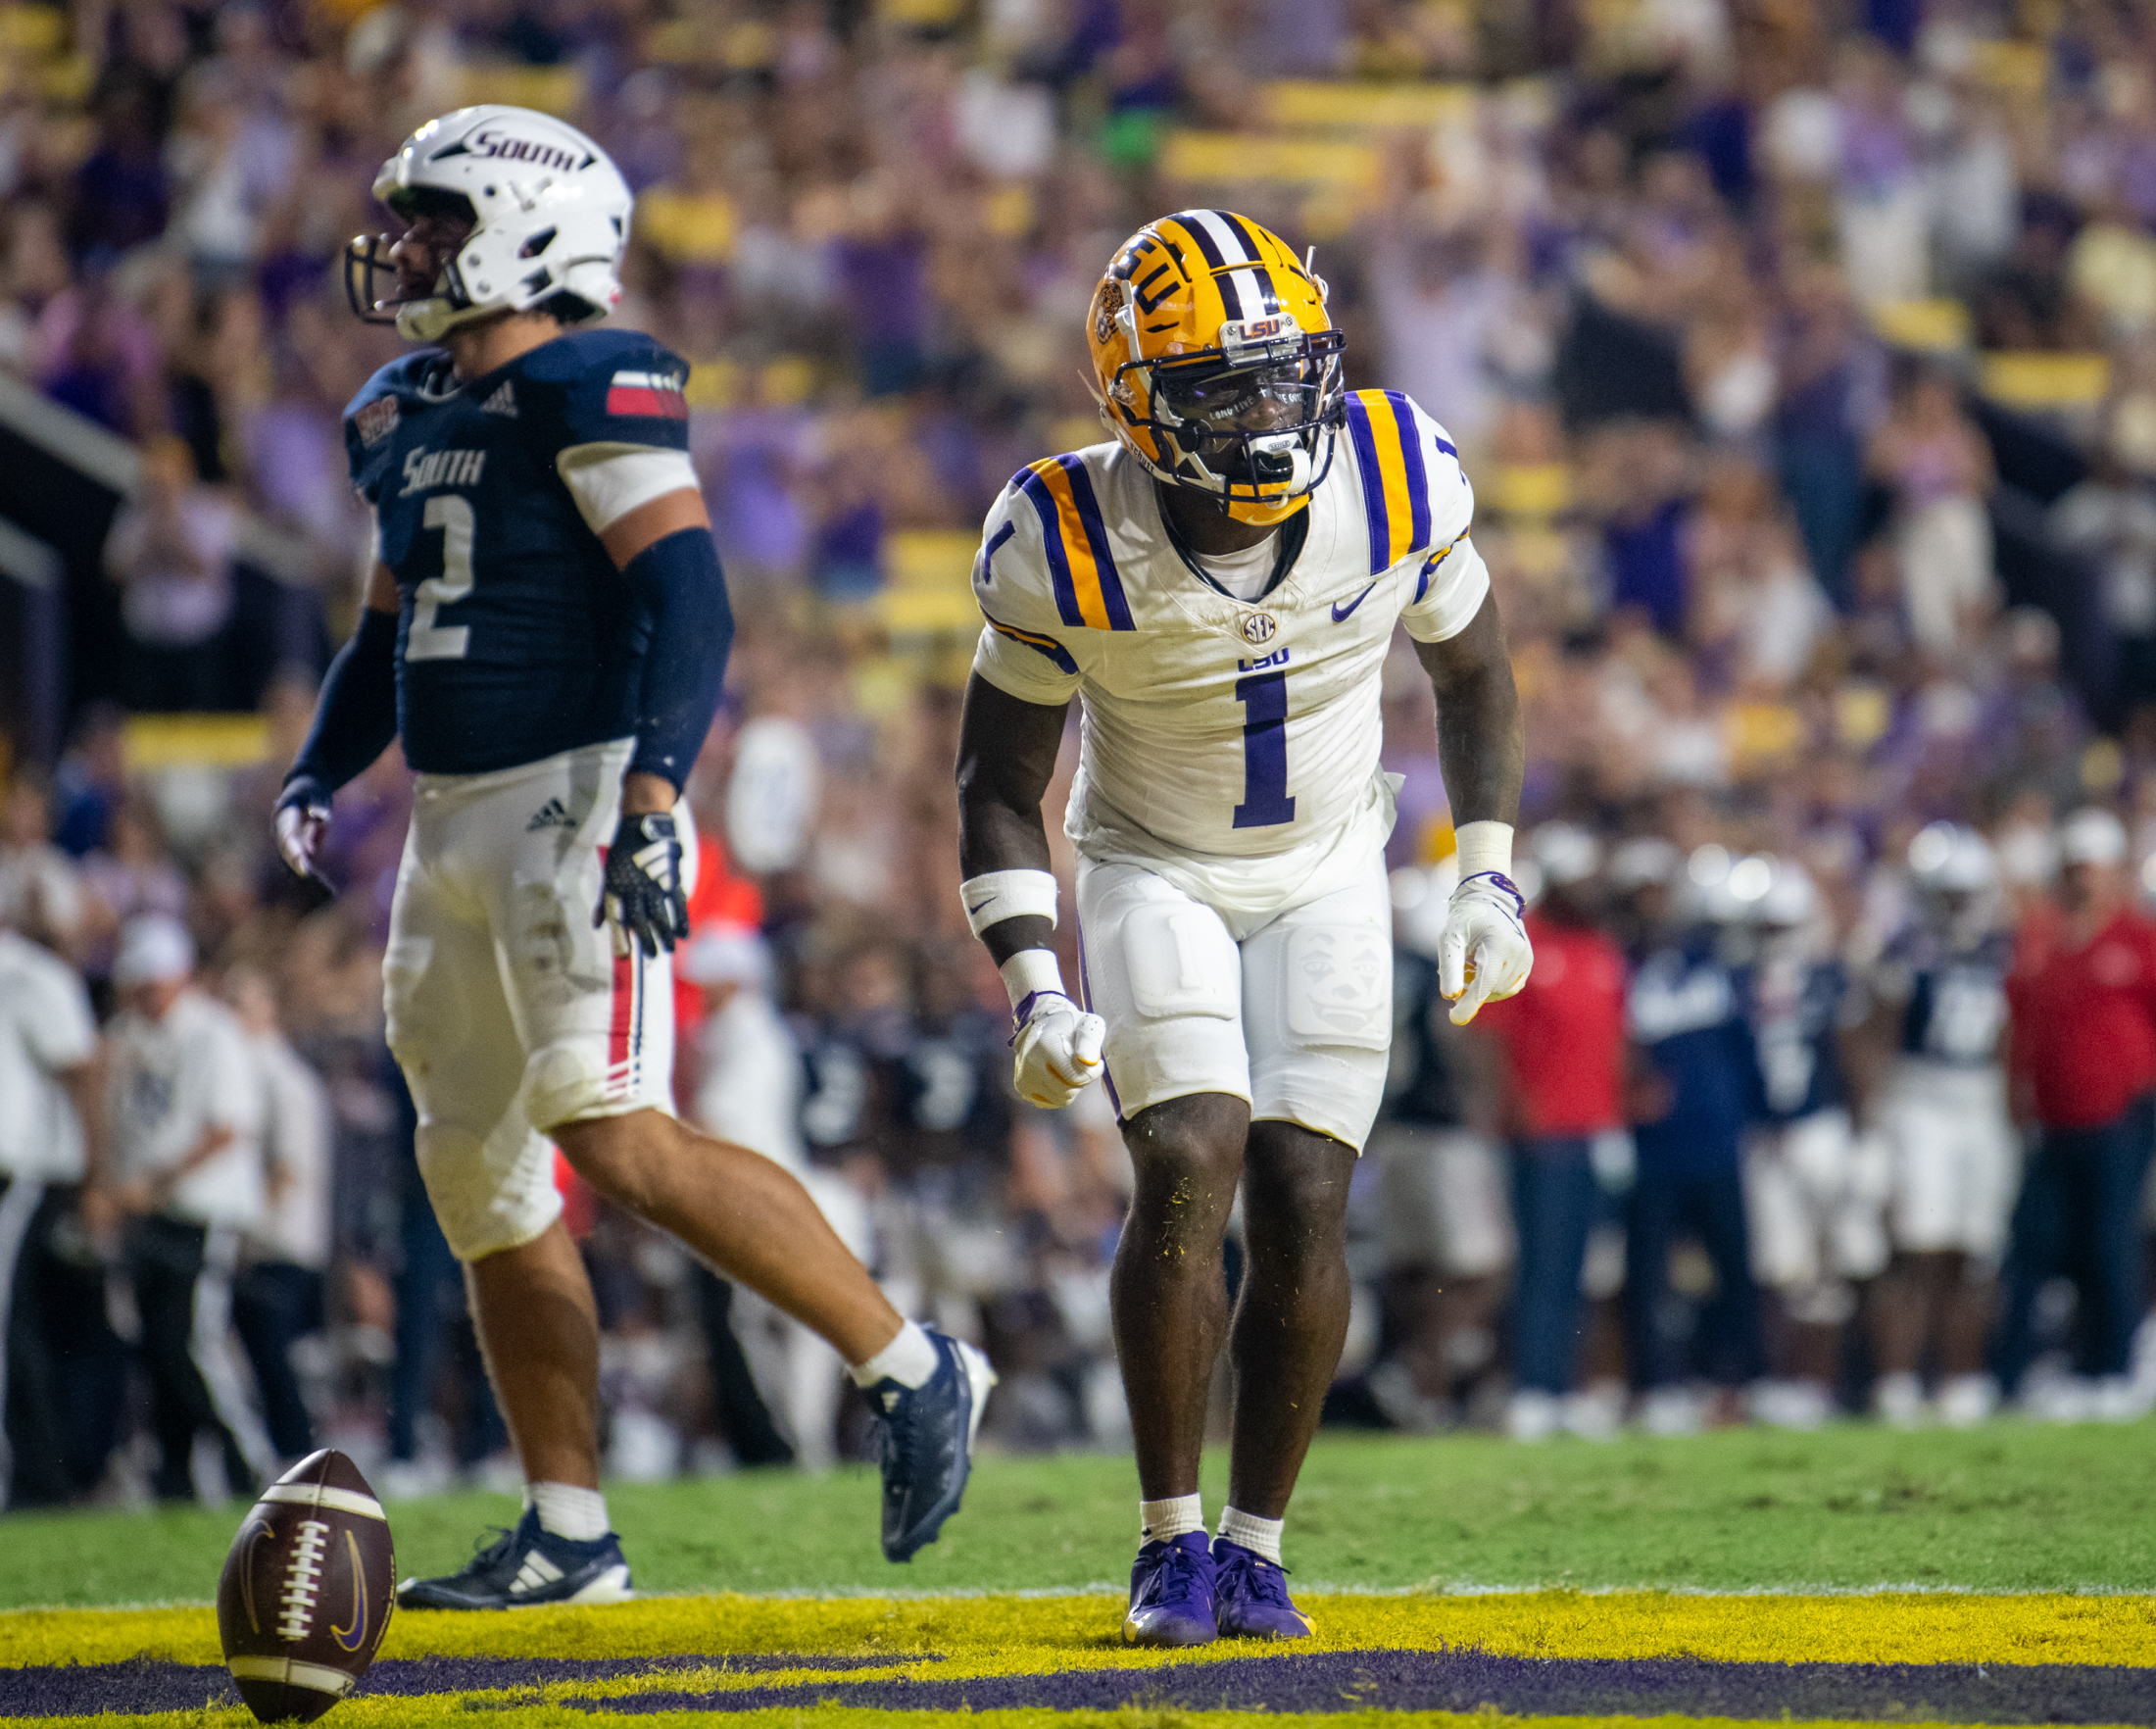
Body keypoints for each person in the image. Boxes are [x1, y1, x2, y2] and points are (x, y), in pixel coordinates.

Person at [273, 106, 990, 1607]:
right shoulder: (400, 407)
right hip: (454, 818)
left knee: (608, 1126)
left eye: (437, 221)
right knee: (476, 1173)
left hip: (575, 794)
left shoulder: (597, 378)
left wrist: (657, 797)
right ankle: (569, 1531)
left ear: (529, 233)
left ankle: (915, 1365)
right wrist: (318, 769)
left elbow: (689, 595)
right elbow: (382, 635)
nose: (405, 249)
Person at [955, 210, 1529, 1645]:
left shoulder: (1397, 469)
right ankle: (1168, 1540)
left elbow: (1476, 676)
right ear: (1137, 404)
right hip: (1153, 863)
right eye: (1227, 388)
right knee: (1193, 1153)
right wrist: (1033, 986)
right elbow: (997, 786)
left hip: (1331, 863)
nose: (1273, 417)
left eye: (1287, 376)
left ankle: (1259, 1550)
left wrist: (1489, 875)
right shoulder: (1061, 533)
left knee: (1307, 1195)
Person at [104, 914, 278, 1502]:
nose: (146, 993)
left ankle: (251, 1463)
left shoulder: (211, 1033)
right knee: (157, 1346)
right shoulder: (132, 1035)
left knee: (194, 1342)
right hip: (155, 1209)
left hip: (204, 1210)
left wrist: (148, 1184)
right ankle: (180, 1475)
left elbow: (224, 1129)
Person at [1995, 808, 2156, 1417]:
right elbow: (2023, 1026)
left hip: (2123, 1115)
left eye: (2090, 870)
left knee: (2109, 1244)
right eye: (2072, 870)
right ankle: (2022, 1374)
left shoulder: (2140, 940)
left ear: (2114, 873)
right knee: (2035, 1244)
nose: (2081, 881)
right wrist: (2014, 1090)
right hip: (2055, 1120)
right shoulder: (2043, 943)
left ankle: (2113, 1368)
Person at [1476, 824, 1631, 1442]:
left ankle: (1565, 1388)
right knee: (1542, 1265)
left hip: (1597, 1129)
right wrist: (1511, 1103)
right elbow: (1487, 1035)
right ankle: (1533, 1388)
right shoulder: (1525, 944)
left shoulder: (1600, 946)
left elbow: (1616, 1040)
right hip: (1543, 1131)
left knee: (1583, 1270)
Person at [1861, 822, 2017, 1426]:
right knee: (1916, 1247)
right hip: (1919, 1095)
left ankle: (1963, 1381)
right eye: (1947, 891)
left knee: (1972, 1252)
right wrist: (1873, 1118)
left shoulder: (1999, 946)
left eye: (1964, 890)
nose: (1957, 902)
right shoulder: (1903, 947)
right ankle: (1898, 1383)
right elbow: (1877, 1032)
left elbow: (2008, 1037)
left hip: (1980, 1100)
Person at [1739, 861, 1886, 1430]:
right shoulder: (1737, 979)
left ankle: (1845, 1383)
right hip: (1765, 1137)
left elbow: (1853, 1053)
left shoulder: (1827, 977)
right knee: (1781, 1270)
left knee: (1843, 1263)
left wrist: (1863, 1130)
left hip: (1822, 1128)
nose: (1773, 939)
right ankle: (1787, 1384)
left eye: (1781, 927)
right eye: (1766, 928)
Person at [1623, 851, 1768, 1432]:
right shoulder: (1625, 965)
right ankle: (1654, 1385)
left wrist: (1756, 1117)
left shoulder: (1716, 966)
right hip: (1654, 1148)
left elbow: (1746, 1052)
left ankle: (1738, 1382)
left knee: (1734, 1268)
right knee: (1648, 1274)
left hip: (1716, 1141)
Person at [0, 887, 109, 1507]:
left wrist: (96, 1178)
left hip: (21, 1172)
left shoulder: (31, 975)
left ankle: (33, 1474)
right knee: (24, 1328)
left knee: (16, 1330)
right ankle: (40, 1472)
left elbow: (83, 1071)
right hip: (29, 1171)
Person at [224, 966, 332, 1463]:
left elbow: (286, 1169)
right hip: (280, 1236)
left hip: (277, 1239)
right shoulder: (270, 1073)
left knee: (270, 1355)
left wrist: (249, 1232)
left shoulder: (279, 1078)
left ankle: (293, 1451)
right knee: (262, 1353)